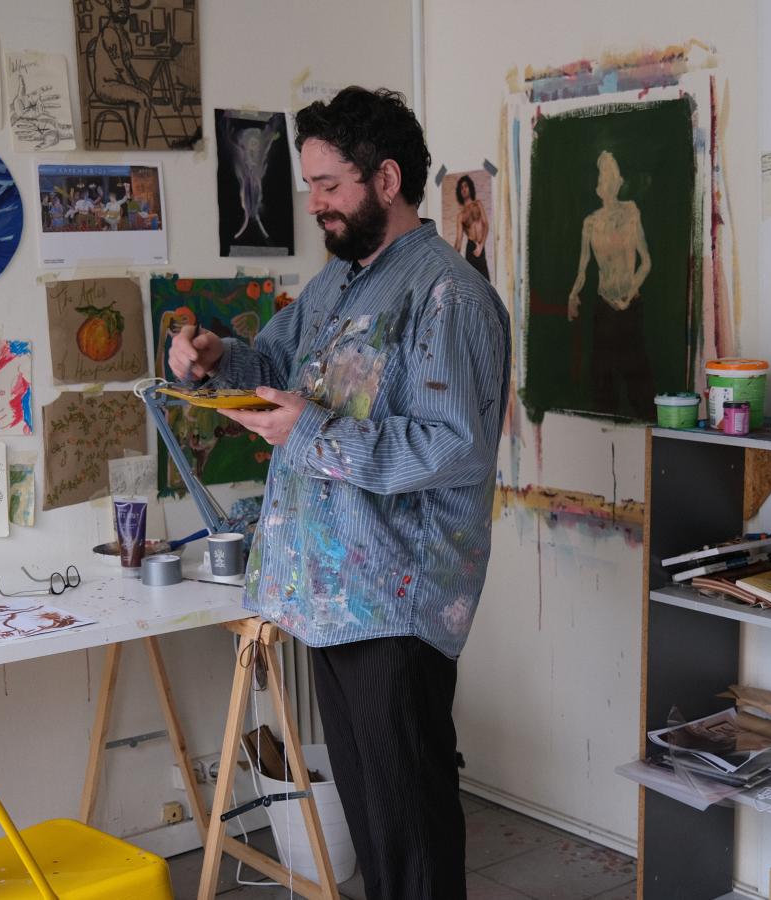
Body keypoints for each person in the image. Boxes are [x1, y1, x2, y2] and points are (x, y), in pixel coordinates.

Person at [167, 86, 509, 900]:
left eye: (329, 186)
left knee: (413, 834)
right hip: (329, 596)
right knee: (376, 828)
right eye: (310, 185)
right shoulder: (338, 284)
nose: (315, 204)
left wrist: (312, 434)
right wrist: (221, 360)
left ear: (385, 180)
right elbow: (279, 370)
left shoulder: (448, 297)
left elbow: (454, 448)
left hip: (398, 605)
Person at [568, 150, 655, 417]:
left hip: (631, 307)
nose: (608, 181)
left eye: (612, 174)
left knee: (637, 380)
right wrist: (573, 295)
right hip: (604, 308)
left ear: (618, 181)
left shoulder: (631, 212)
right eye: (603, 176)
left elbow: (646, 262)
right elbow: (582, 269)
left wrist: (629, 294)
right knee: (603, 385)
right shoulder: (591, 223)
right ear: (598, 187)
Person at [88, 0, 153, 146]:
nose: (123, 5)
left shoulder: (121, 32)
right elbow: (121, 67)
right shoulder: (109, 32)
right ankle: (141, 146)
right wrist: (136, 87)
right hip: (107, 86)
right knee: (142, 98)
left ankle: (134, 139)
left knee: (145, 87)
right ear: (109, 5)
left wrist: (137, 82)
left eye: (126, 2)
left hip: (119, 83)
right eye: (118, 1)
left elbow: (127, 63)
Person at [451, 175, 489, 280]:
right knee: (473, 283)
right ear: (460, 192)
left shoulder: (478, 204)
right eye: (461, 188)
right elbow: (458, 241)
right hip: (471, 248)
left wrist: (481, 246)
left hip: (480, 246)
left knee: (486, 283)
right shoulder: (461, 215)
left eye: (465, 186)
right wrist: (451, 258)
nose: (463, 189)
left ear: (470, 188)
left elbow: (486, 224)